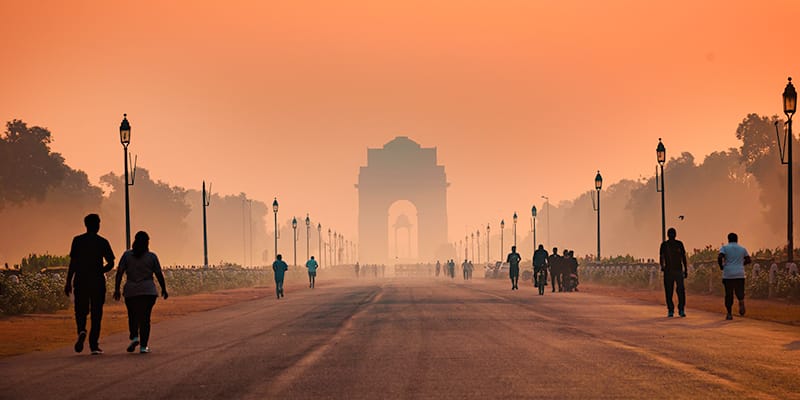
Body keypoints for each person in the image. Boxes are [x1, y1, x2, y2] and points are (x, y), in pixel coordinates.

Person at [64, 214, 115, 355]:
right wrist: (101, 270)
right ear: (98, 225)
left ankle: (81, 330)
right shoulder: (102, 242)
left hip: (81, 280)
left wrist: (68, 282)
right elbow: (111, 262)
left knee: (80, 310)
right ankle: (94, 345)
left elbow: (73, 263)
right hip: (97, 281)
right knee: (96, 313)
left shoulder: (78, 240)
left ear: (86, 225)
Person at [113, 231, 168, 354]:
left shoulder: (127, 255)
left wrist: (117, 289)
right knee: (145, 318)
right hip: (148, 291)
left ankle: (134, 337)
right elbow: (158, 274)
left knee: (132, 315)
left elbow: (120, 272)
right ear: (147, 242)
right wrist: (164, 288)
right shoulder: (152, 256)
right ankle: (143, 346)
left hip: (131, 291)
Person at [718, 232, 751, 320]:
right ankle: (741, 301)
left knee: (729, 294)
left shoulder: (724, 248)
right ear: (737, 239)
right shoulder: (742, 249)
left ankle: (729, 313)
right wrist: (741, 264)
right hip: (740, 273)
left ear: (728, 239)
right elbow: (748, 259)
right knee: (739, 291)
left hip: (728, 274)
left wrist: (721, 266)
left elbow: (720, 257)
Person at [659, 227, 688, 318]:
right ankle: (680, 309)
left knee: (670, 291)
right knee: (679, 291)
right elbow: (683, 258)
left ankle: (672, 310)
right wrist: (685, 269)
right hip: (677, 270)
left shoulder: (665, 244)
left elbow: (661, 257)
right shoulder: (678, 244)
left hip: (670, 271)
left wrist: (662, 266)